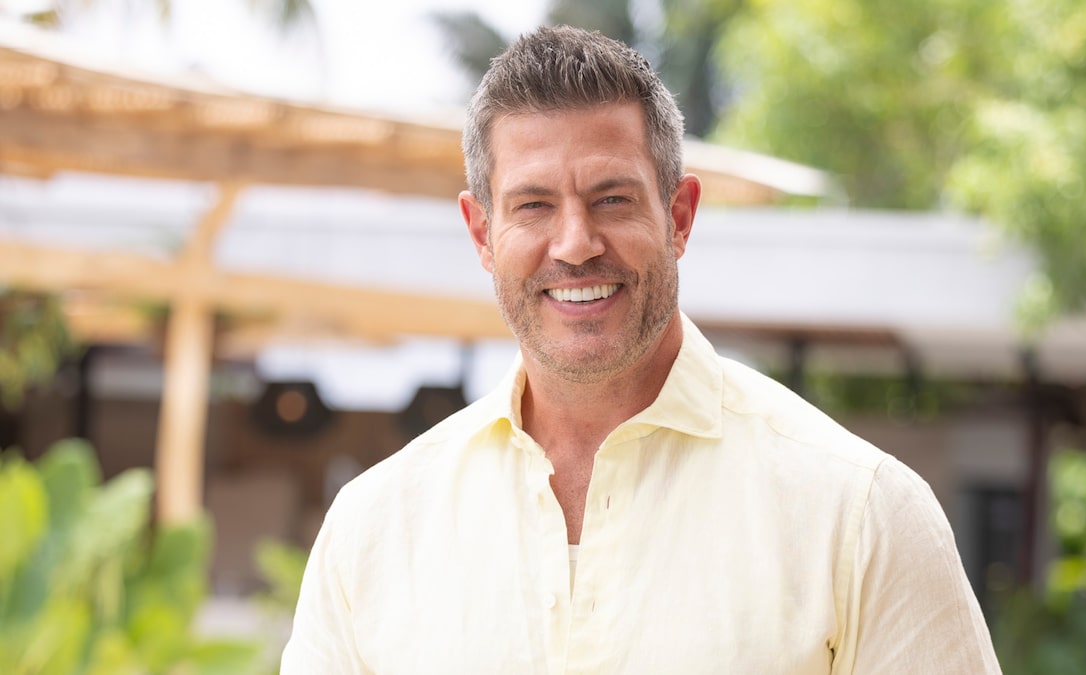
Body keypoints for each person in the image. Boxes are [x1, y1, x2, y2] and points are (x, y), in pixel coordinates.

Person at [281, 25, 1002, 674]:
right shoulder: (372, 529)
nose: (575, 244)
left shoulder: (859, 512)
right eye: (534, 205)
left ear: (679, 216)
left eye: (612, 199)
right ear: (481, 234)